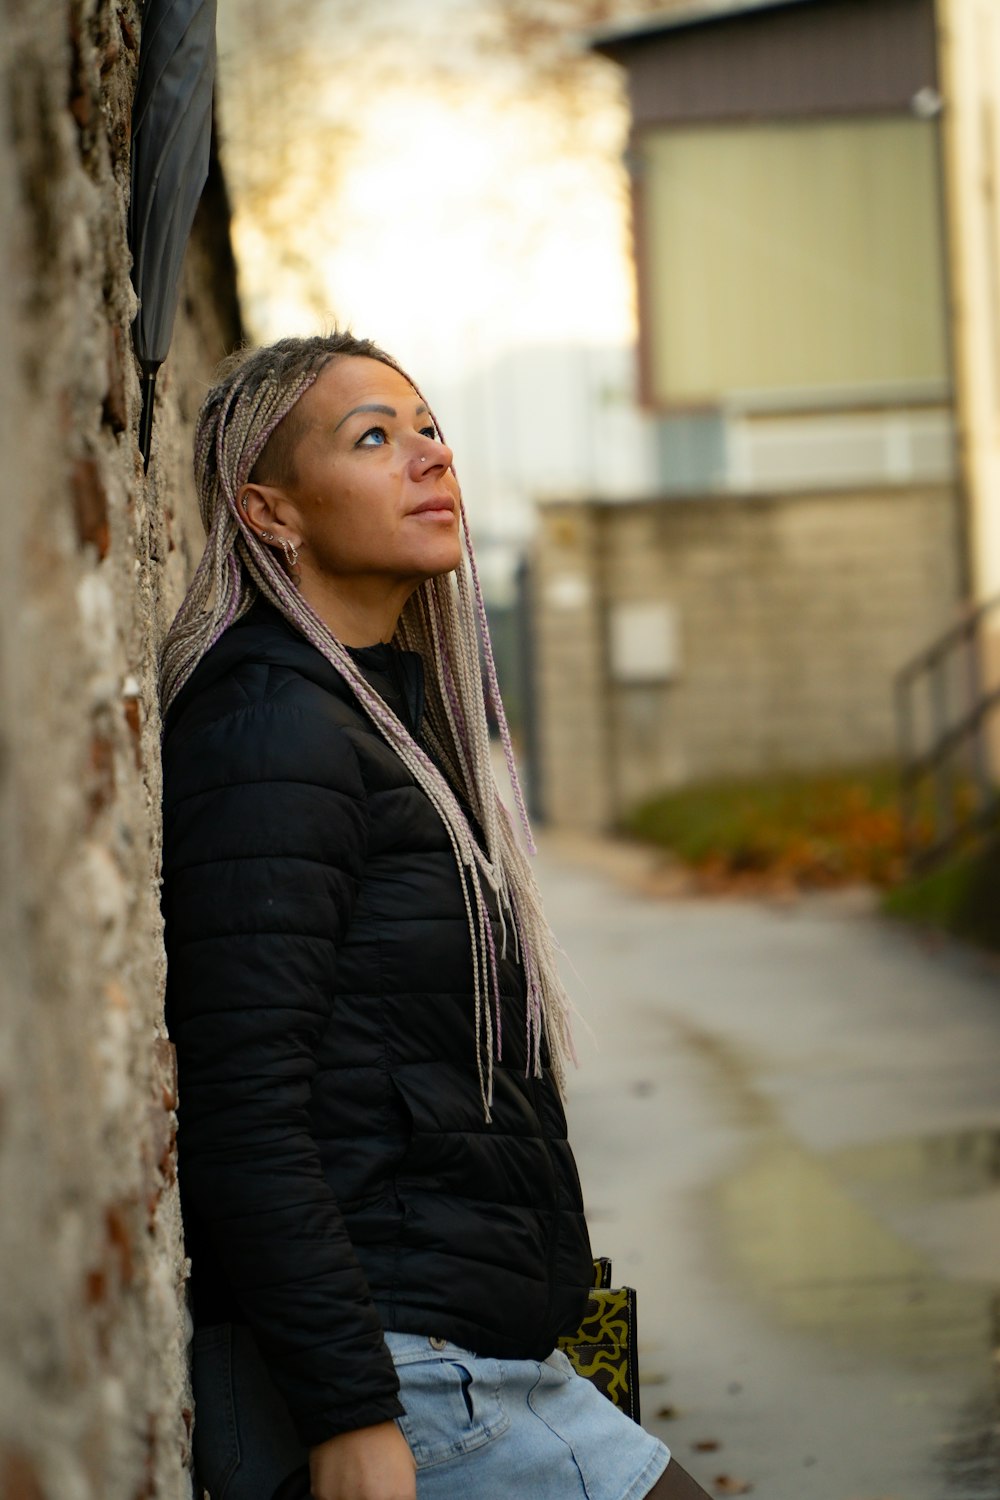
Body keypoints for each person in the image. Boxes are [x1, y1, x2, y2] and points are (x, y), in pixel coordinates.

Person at [160, 333, 712, 1500]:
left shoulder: (377, 721)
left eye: (428, 428)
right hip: (400, 1379)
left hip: (461, 1354)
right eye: (373, 437)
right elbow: (238, 1100)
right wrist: (352, 1412)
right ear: (272, 512)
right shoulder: (272, 727)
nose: (427, 458)